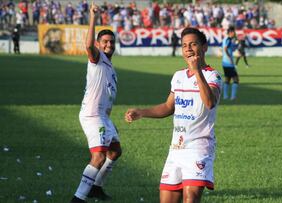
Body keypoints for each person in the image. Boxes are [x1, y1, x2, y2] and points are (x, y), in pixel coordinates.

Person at [125, 27, 222, 203]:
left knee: (190, 198)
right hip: (176, 149)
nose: (189, 49)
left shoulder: (212, 76)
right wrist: (142, 112)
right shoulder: (178, 77)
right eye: (185, 45)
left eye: (193, 44)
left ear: (204, 47)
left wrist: (197, 71)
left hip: (199, 148)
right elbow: (169, 106)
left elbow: (209, 102)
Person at [70, 2, 121, 203]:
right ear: (100, 44)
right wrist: (93, 17)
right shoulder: (97, 58)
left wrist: (108, 121)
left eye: (112, 42)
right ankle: (78, 198)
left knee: (115, 151)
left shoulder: (110, 67)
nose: (109, 44)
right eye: (105, 42)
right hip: (92, 115)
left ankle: (96, 188)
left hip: (102, 116)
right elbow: (88, 46)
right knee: (99, 156)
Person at [222, 26, 239, 100]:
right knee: (236, 79)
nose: (235, 33)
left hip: (224, 62)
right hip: (229, 63)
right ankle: (233, 96)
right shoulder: (228, 39)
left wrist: (236, 44)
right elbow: (225, 49)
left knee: (227, 79)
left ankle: (225, 96)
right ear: (231, 32)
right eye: (234, 32)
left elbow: (231, 49)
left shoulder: (225, 39)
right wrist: (229, 58)